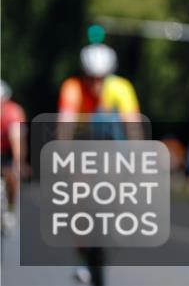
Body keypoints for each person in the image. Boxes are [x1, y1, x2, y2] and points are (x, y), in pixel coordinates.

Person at [58, 43, 143, 286]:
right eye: (91, 78)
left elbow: (133, 125)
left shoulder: (121, 88)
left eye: (101, 78)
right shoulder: (72, 88)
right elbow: (65, 127)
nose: (96, 84)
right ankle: (82, 256)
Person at [1, 79, 27, 234]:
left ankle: (11, 207)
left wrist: (18, 164)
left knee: (11, 174)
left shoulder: (13, 113)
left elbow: (17, 142)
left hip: (8, 149)